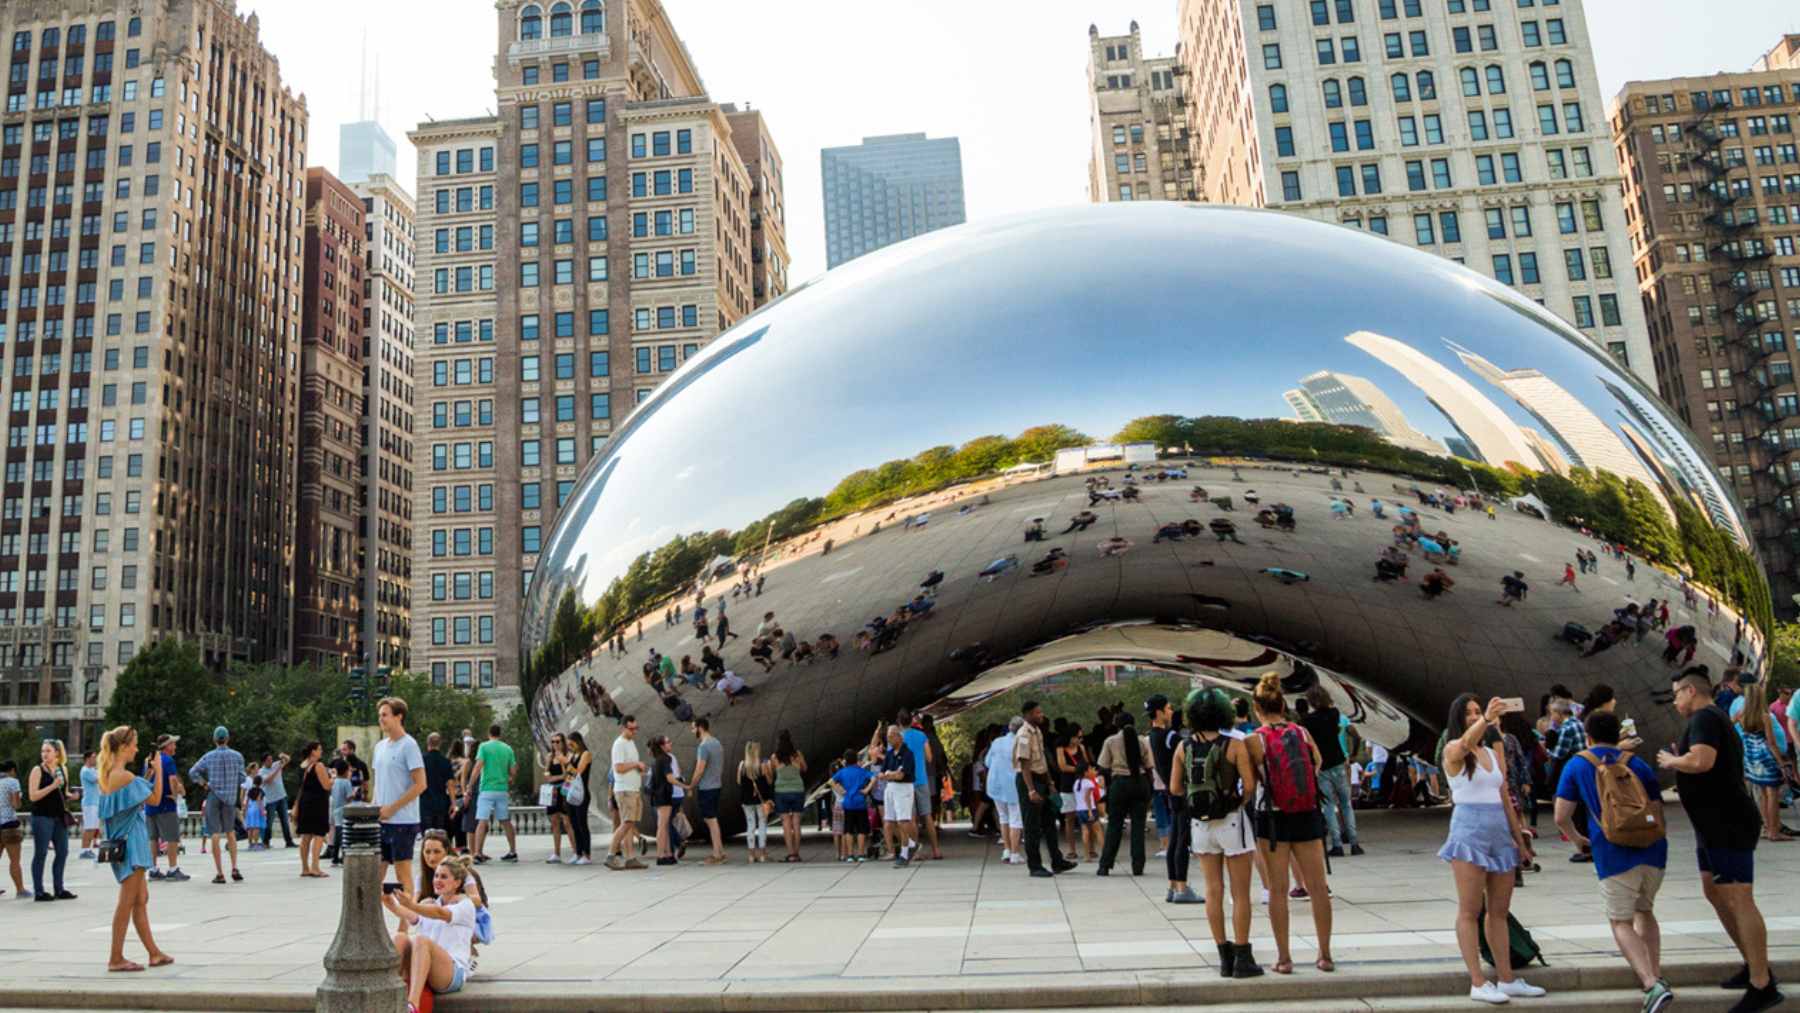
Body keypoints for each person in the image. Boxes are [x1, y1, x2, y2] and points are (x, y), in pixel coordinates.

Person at [1657, 670, 1780, 1013]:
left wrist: (1671, 761)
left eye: (1676, 695)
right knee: (1714, 891)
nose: (1675, 702)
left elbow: (1701, 761)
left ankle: (1762, 984)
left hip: (1728, 823)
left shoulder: (1705, 718)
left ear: (1690, 691)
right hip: (1711, 824)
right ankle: (1753, 964)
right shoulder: (1710, 719)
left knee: (1739, 896)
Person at [1554, 710, 1672, 1013]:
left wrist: (1578, 838)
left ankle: (1650, 983)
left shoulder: (1578, 764)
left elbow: (1560, 815)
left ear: (1588, 735)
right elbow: (1657, 808)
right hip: (1653, 850)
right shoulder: (1637, 763)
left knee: (1620, 920)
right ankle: (1656, 973)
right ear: (1616, 734)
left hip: (1613, 852)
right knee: (1645, 911)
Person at [1440, 694, 1544, 1004]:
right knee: (1470, 910)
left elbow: (1504, 795)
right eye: (1469, 713)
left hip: (1498, 829)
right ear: (1460, 719)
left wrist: (1519, 837)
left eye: (1477, 711)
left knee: (1498, 910)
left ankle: (1507, 977)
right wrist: (1486, 719)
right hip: (1469, 829)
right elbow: (1460, 747)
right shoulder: (1452, 749)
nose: (1474, 717)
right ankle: (1477, 980)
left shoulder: (1489, 751)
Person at [1171, 687, 1262, 979]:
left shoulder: (1183, 746)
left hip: (1200, 826)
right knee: (1240, 893)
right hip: (1232, 821)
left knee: (1213, 890)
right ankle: (1243, 957)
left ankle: (1223, 955)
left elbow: (1174, 788)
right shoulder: (1234, 744)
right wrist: (1237, 802)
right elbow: (1249, 785)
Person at [1245, 675, 1334, 974]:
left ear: (1257, 708)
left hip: (1273, 818)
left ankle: (1284, 958)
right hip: (1307, 814)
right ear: (1282, 704)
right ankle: (1324, 955)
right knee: (1318, 887)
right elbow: (1317, 764)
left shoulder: (1253, 740)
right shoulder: (1302, 732)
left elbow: (1254, 781)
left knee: (1278, 889)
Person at [95, 726, 173, 973]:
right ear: (123, 747)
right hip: (132, 844)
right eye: (134, 744)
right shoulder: (124, 776)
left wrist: (149, 774)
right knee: (127, 902)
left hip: (125, 842)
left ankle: (154, 953)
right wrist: (159, 770)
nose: (137, 749)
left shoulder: (109, 775)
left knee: (140, 899)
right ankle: (115, 958)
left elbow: (132, 799)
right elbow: (155, 799)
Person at [384, 853, 481, 1013]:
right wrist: (388, 901)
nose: (437, 880)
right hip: (423, 967)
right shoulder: (429, 904)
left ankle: (412, 1005)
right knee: (400, 938)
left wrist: (412, 905)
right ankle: (387, 994)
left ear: (457, 882)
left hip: (452, 972)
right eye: (436, 876)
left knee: (421, 940)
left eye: (444, 877)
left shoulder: (465, 905)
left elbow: (441, 914)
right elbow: (410, 915)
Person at [1015, 700, 1076, 878]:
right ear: (1027, 715)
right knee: (1032, 825)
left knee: (1050, 822)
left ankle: (1057, 860)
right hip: (1029, 780)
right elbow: (1025, 764)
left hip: (1042, 779)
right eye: (1037, 713)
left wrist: (1050, 783)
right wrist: (1031, 790)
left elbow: (1041, 760)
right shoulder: (1024, 734)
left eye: (1041, 712)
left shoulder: (1038, 732)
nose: (1041, 715)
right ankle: (1035, 865)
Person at [374, 697, 428, 888]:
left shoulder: (409, 745)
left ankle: (408, 918)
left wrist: (392, 808)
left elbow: (421, 784)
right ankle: (373, 916)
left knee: (402, 872)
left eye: (385, 715)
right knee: (374, 874)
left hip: (403, 821)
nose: (381, 719)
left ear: (399, 716)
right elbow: (379, 784)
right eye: (380, 715)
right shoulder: (379, 747)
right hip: (381, 820)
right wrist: (374, 809)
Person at [1301, 686, 1360, 858]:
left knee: (1328, 806)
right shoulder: (1334, 714)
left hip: (1321, 766)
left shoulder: (1307, 721)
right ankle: (1354, 843)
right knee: (1346, 804)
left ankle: (1337, 845)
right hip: (1339, 763)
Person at [1730, 685, 1790, 843]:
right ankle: (1774, 832)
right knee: (1772, 796)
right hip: (1765, 757)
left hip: (1750, 757)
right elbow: (1771, 743)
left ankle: (1767, 829)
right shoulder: (1765, 716)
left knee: (1763, 795)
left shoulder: (1740, 714)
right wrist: (1782, 763)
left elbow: (1728, 726)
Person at [1095, 711, 1150, 876]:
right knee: (1138, 827)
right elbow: (1149, 766)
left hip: (1119, 785)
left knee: (1114, 826)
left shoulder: (1111, 741)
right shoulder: (1142, 741)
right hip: (1139, 783)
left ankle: (1105, 865)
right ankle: (1138, 866)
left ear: (1116, 725)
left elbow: (1103, 765)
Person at [189, 726, 246, 885]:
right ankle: (234, 868)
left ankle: (220, 873)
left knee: (214, 833)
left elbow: (193, 772)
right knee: (230, 832)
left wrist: (204, 783)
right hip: (230, 798)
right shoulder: (237, 756)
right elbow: (242, 778)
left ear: (215, 740)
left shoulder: (209, 756)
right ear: (227, 739)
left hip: (214, 795)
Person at [26, 739, 73, 901]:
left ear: (57, 753)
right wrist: (52, 786)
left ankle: (59, 889)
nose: (44, 754)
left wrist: (72, 796)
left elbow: (64, 791)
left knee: (63, 852)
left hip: (59, 816)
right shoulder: (37, 770)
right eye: (43, 751)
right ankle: (39, 891)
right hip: (42, 816)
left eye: (48, 751)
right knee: (41, 853)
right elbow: (33, 796)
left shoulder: (62, 769)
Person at [469, 724, 518, 864]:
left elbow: (478, 766)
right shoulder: (508, 748)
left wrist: (470, 785)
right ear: (500, 733)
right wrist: (510, 779)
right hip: (502, 789)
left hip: (486, 789)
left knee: (482, 820)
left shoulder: (484, 747)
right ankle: (513, 851)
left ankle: (477, 853)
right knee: (505, 821)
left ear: (488, 733)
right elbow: (513, 770)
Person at [142, 735, 185, 882]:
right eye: (173, 744)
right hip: (166, 804)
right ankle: (172, 869)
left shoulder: (149, 759)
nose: (175, 747)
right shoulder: (168, 760)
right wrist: (174, 795)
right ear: (167, 746)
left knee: (152, 838)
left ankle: (153, 870)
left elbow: (144, 780)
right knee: (172, 837)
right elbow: (173, 780)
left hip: (150, 804)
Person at [877, 724, 917, 868]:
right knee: (889, 822)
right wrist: (890, 774)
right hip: (890, 789)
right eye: (888, 736)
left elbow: (901, 775)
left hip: (903, 789)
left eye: (891, 736)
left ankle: (905, 853)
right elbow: (882, 773)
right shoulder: (889, 753)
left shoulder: (907, 753)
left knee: (903, 821)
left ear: (899, 736)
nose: (889, 739)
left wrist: (891, 774)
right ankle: (912, 844)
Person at [985, 718, 1023, 865]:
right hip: (1013, 785)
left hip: (995, 784)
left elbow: (987, 762)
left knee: (1003, 817)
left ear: (1009, 727)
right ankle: (1015, 853)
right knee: (1015, 819)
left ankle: (1006, 850)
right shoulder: (1021, 742)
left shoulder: (997, 742)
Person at [690, 718, 727, 864]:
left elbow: (699, 769)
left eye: (693, 728)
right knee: (711, 819)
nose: (692, 731)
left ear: (700, 727)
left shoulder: (703, 746)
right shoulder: (717, 743)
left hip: (706, 787)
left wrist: (691, 785)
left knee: (711, 820)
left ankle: (717, 855)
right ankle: (720, 851)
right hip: (716, 785)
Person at [292, 741, 332, 877]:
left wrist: (296, 806)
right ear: (313, 751)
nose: (321, 751)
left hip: (305, 803)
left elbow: (302, 788)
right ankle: (315, 867)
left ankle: (305, 868)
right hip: (317, 804)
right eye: (319, 749)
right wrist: (333, 778)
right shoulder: (319, 765)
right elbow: (326, 786)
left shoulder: (305, 766)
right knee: (319, 835)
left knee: (306, 836)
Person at [769, 729, 808, 862]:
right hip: (797, 790)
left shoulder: (775, 757)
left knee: (786, 822)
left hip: (781, 792)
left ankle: (790, 853)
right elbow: (805, 768)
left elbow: (772, 773)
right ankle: (797, 853)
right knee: (796, 822)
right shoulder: (797, 755)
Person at [832, 748, 874, 863]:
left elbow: (831, 781)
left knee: (848, 830)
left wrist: (840, 790)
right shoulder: (861, 771)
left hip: (848, 803)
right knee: (861, 830)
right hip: (860, 803)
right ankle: (861, 854)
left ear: (845, 760)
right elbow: (874, 778)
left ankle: (850, 855)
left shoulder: (842, 772)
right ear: (856, 759)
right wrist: (866, 790)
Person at [738, 741, 772, 864]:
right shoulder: (762, 765)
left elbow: (739, 782)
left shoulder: (742, 765)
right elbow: (768, 781)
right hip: (760, 800)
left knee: (750, 826)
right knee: (762, 825)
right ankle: (762, 854)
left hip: (746, 800)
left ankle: (751, 855)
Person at [648, 736, 680, 866]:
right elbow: (670, 778)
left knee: (664, 825)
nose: (670, 744)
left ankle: (667, 854)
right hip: (663, 796)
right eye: (668, 742)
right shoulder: (666, 759)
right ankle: (661, 855)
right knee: (662, 826)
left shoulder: (657, 760)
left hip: (659, 796)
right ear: (662, 746)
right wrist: (686, 786)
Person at [564, 732, 594, 865]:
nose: (570, 746)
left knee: (582, 823)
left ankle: (587, 854)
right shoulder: (572, 755)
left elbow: (578, 772)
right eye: (568, 744)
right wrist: (565, 791)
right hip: (571, 792)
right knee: (574, 824)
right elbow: (569, 776)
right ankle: (578, 852)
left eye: (571, 743)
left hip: (582, 793)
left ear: (578, 741)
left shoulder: (586, 754)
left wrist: (566, 763)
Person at [541, 733, 569, 863]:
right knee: (555, 823)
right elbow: (546, 773)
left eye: (558, 741)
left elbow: (567, 774)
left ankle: (576, 851)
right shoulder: (549, 756)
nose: (555, 744)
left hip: (564, 790)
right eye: (553, 742)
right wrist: (555, 777)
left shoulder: (566, 756)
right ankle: (556, 853)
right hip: (552, 791)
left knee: (568, 822)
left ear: (563, 742)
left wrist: (561, 759)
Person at [420, 734, 454, 838]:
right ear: (440, 744)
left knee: (426, 834)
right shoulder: (446, 762)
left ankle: (426, 852)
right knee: (440, 834)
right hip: (441, 803)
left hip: (425, 801)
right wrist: (453, 803)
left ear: (428, 743)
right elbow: (450, 784)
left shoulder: (421, 760)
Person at [258, 753, 294, 849]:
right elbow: (269, 780)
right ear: (264, 761)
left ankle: (289, 841)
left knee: (285, 821)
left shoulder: (275, 764)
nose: (271, 761)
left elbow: (288, 759)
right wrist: (279, 769)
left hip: (281, 797)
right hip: (270, 800)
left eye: (271, 759)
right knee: (269, 822)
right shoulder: (261, 772)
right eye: (268, 760)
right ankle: (266, 842)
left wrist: (282, 755)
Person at [0, 760, 23, 897]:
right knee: (14, 860)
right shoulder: (12, 782)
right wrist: (17, 799)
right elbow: (16, 805)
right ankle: (20, 890)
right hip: (9, 824)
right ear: (13, 770)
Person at [78, 751, 100, 859]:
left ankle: (88, 849)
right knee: (89, 827)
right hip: (89, 803)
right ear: (87, 759)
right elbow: (99, 780)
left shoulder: (92, 770)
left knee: (93, 827)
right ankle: (84, 850)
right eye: (93, 757)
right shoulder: (85, 771)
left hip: (94, 802)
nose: (95, 759)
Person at [243, 777, 266, 849]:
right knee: (256, 827)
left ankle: (250, 844)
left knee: (250, 827)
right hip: (256, 809)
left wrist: (245, 810)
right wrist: (263, 811)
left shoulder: (250, 790)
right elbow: (259, 801)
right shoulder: (261, 791)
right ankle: (256, 844)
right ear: (261, 782)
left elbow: (246, 801)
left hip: (250, 808)